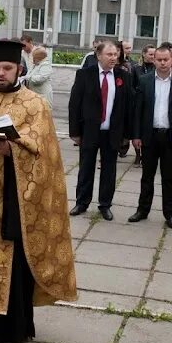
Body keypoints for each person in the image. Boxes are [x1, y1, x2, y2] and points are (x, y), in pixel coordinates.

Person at [0, 39, 76, 343]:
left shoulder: (35, 105)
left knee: (11, 259)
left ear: (19, 69)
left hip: (14, 202)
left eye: (7, 68)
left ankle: (10, 331)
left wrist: (11, 150)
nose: (1, 74)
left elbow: (45, 157)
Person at [128, 45, 172, 228]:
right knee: (146, 176)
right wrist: (136, 135)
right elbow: (137, 111)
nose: (163, 63)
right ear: (153, 60)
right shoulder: (144, 81)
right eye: (159, 59)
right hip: (149, 135)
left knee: (168, 177)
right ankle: (142, 210)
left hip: (170, 137)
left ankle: (170, 214)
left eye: (166, 59)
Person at [68, 41, 133, 221]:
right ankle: (82, 202)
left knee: (109, 169)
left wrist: (127, 134)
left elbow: (128, 106)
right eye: (109, 54)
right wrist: (74, 131)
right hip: (89, 130)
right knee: (86, 167)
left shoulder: (123, 76)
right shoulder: (84, 75)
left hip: (112, 132)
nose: (114, 58)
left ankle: (105, 204)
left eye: (115, 54)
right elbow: (74, 104)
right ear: (99, 55)